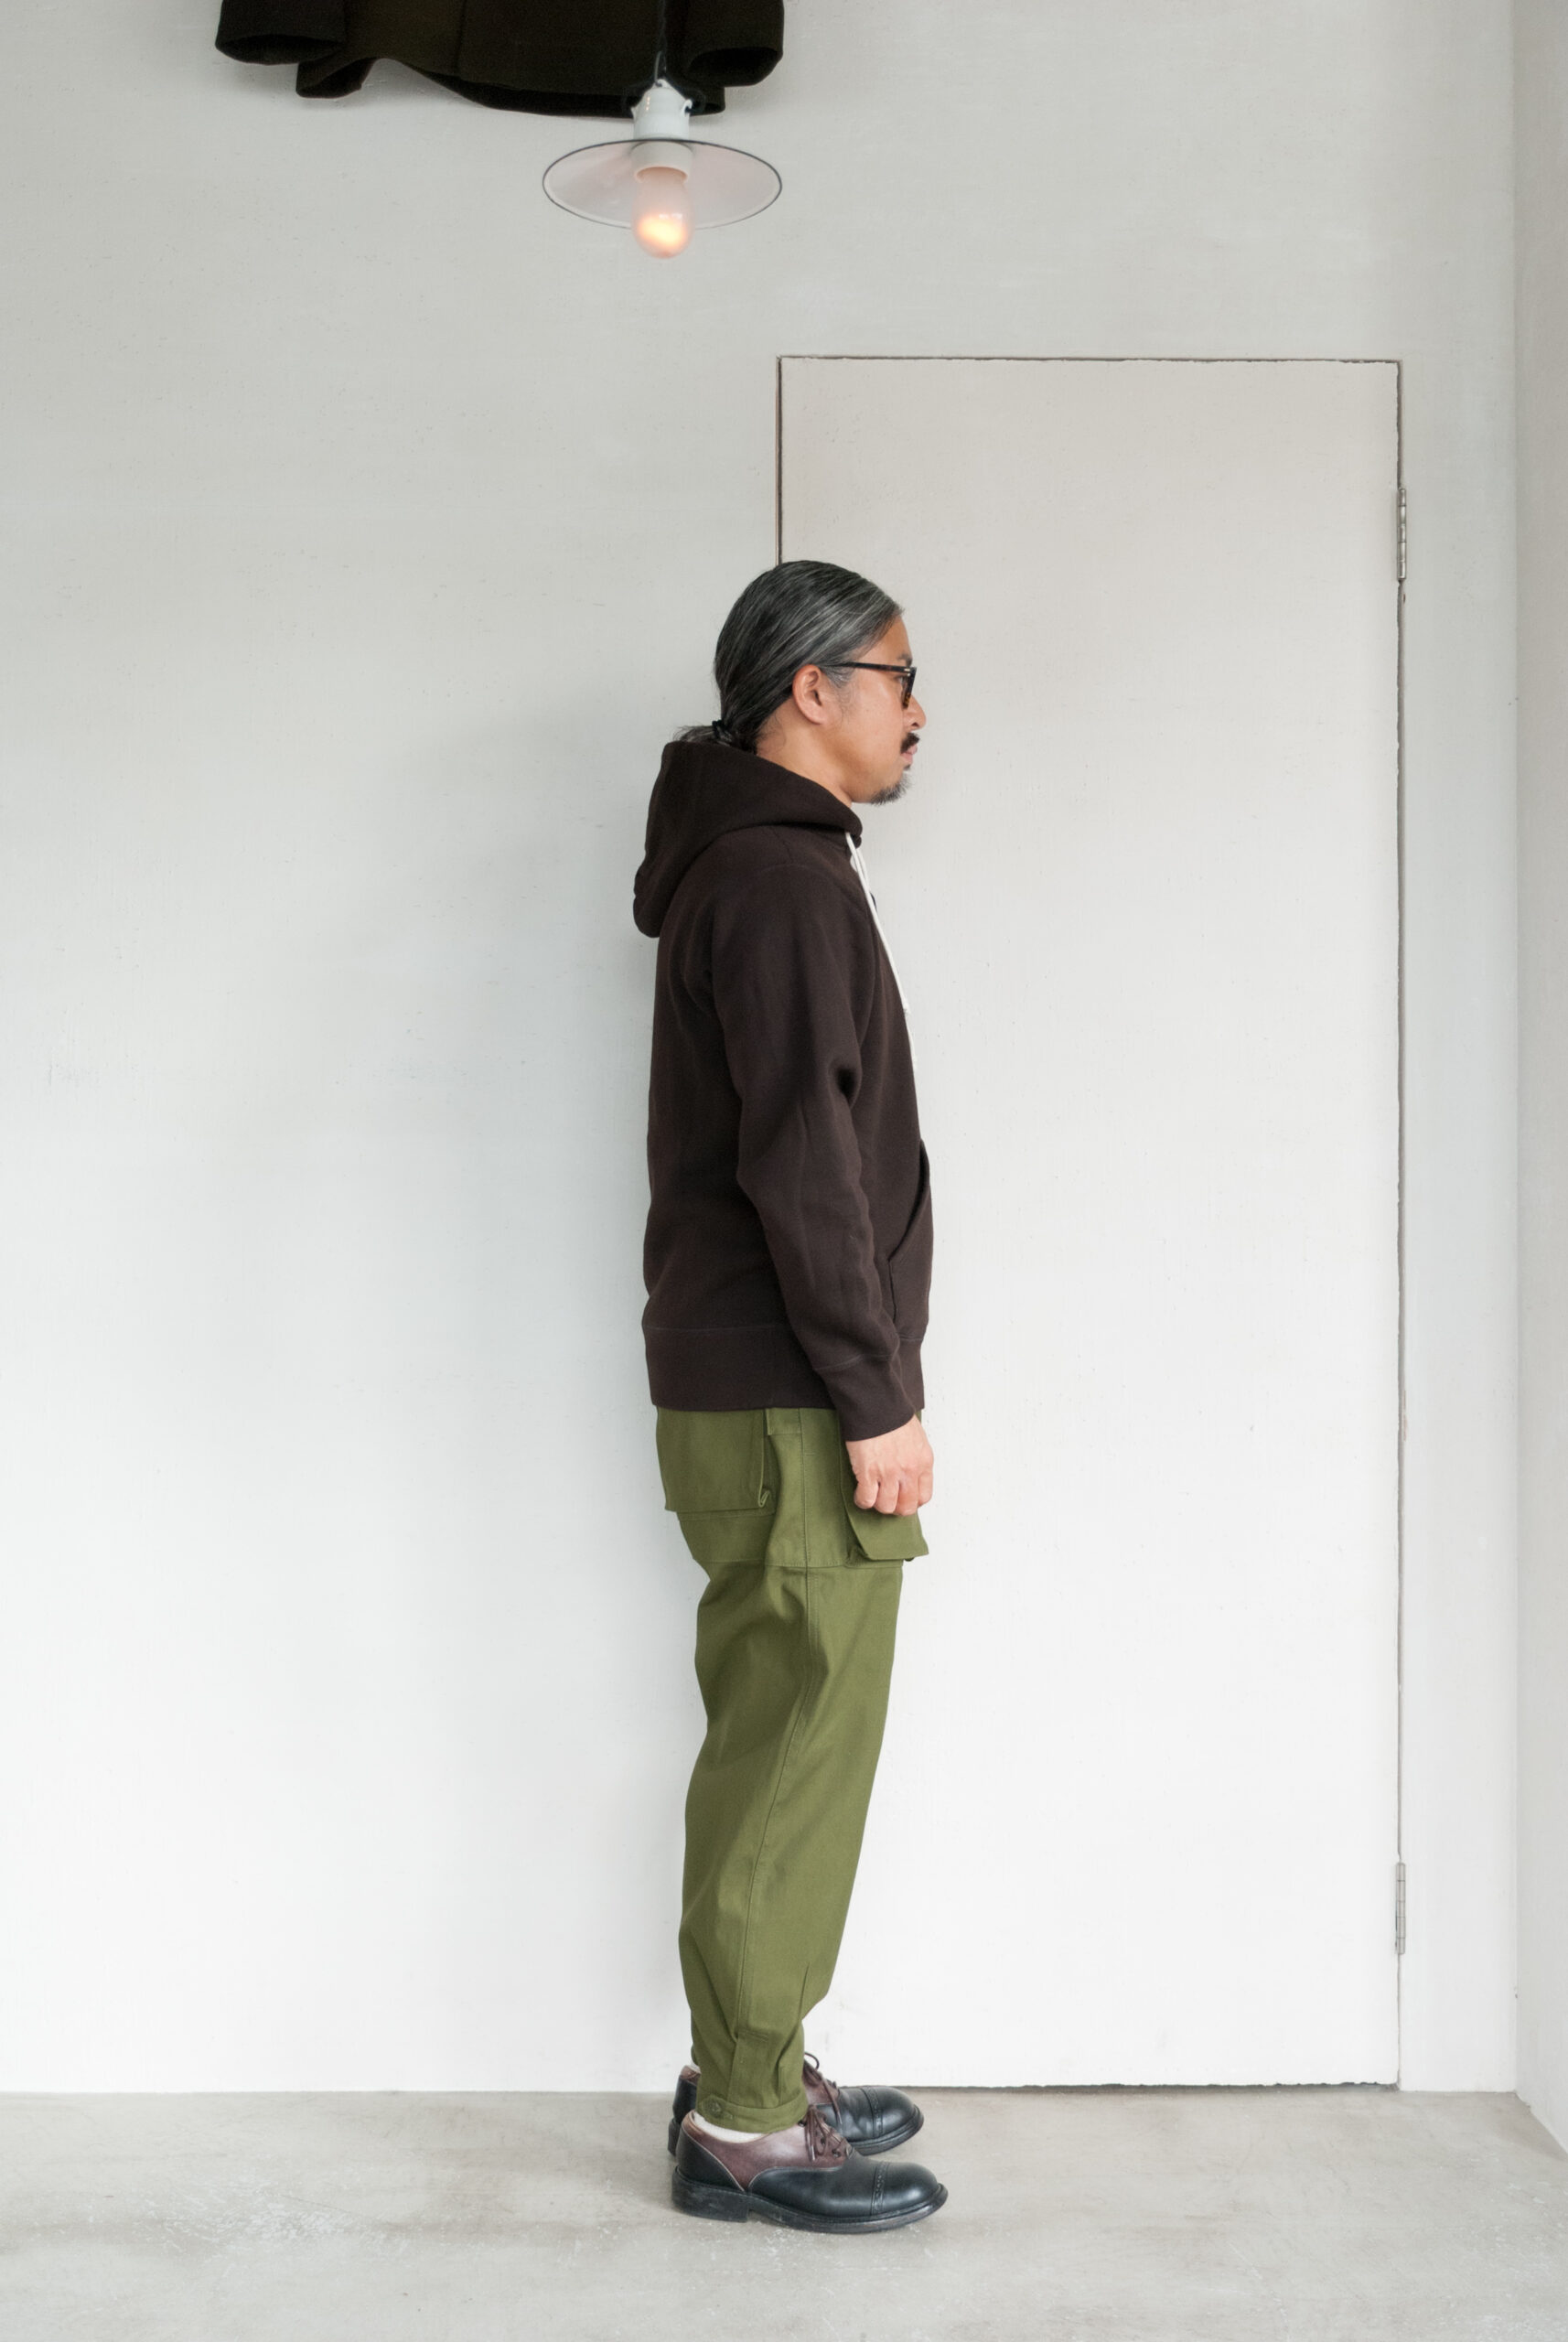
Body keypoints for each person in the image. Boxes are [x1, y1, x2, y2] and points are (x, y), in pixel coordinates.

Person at [632, 561, 947, 2234]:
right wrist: (873, 1393)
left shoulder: (759, 867)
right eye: (897, 676)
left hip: (758, 1385)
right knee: (796, 1749)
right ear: (810, 688)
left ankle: (744, 2067)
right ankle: (747, 2125)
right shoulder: (777, 880)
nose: (918, 712)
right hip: (790, 1395)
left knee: (776, 1734)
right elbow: (805, 1159)